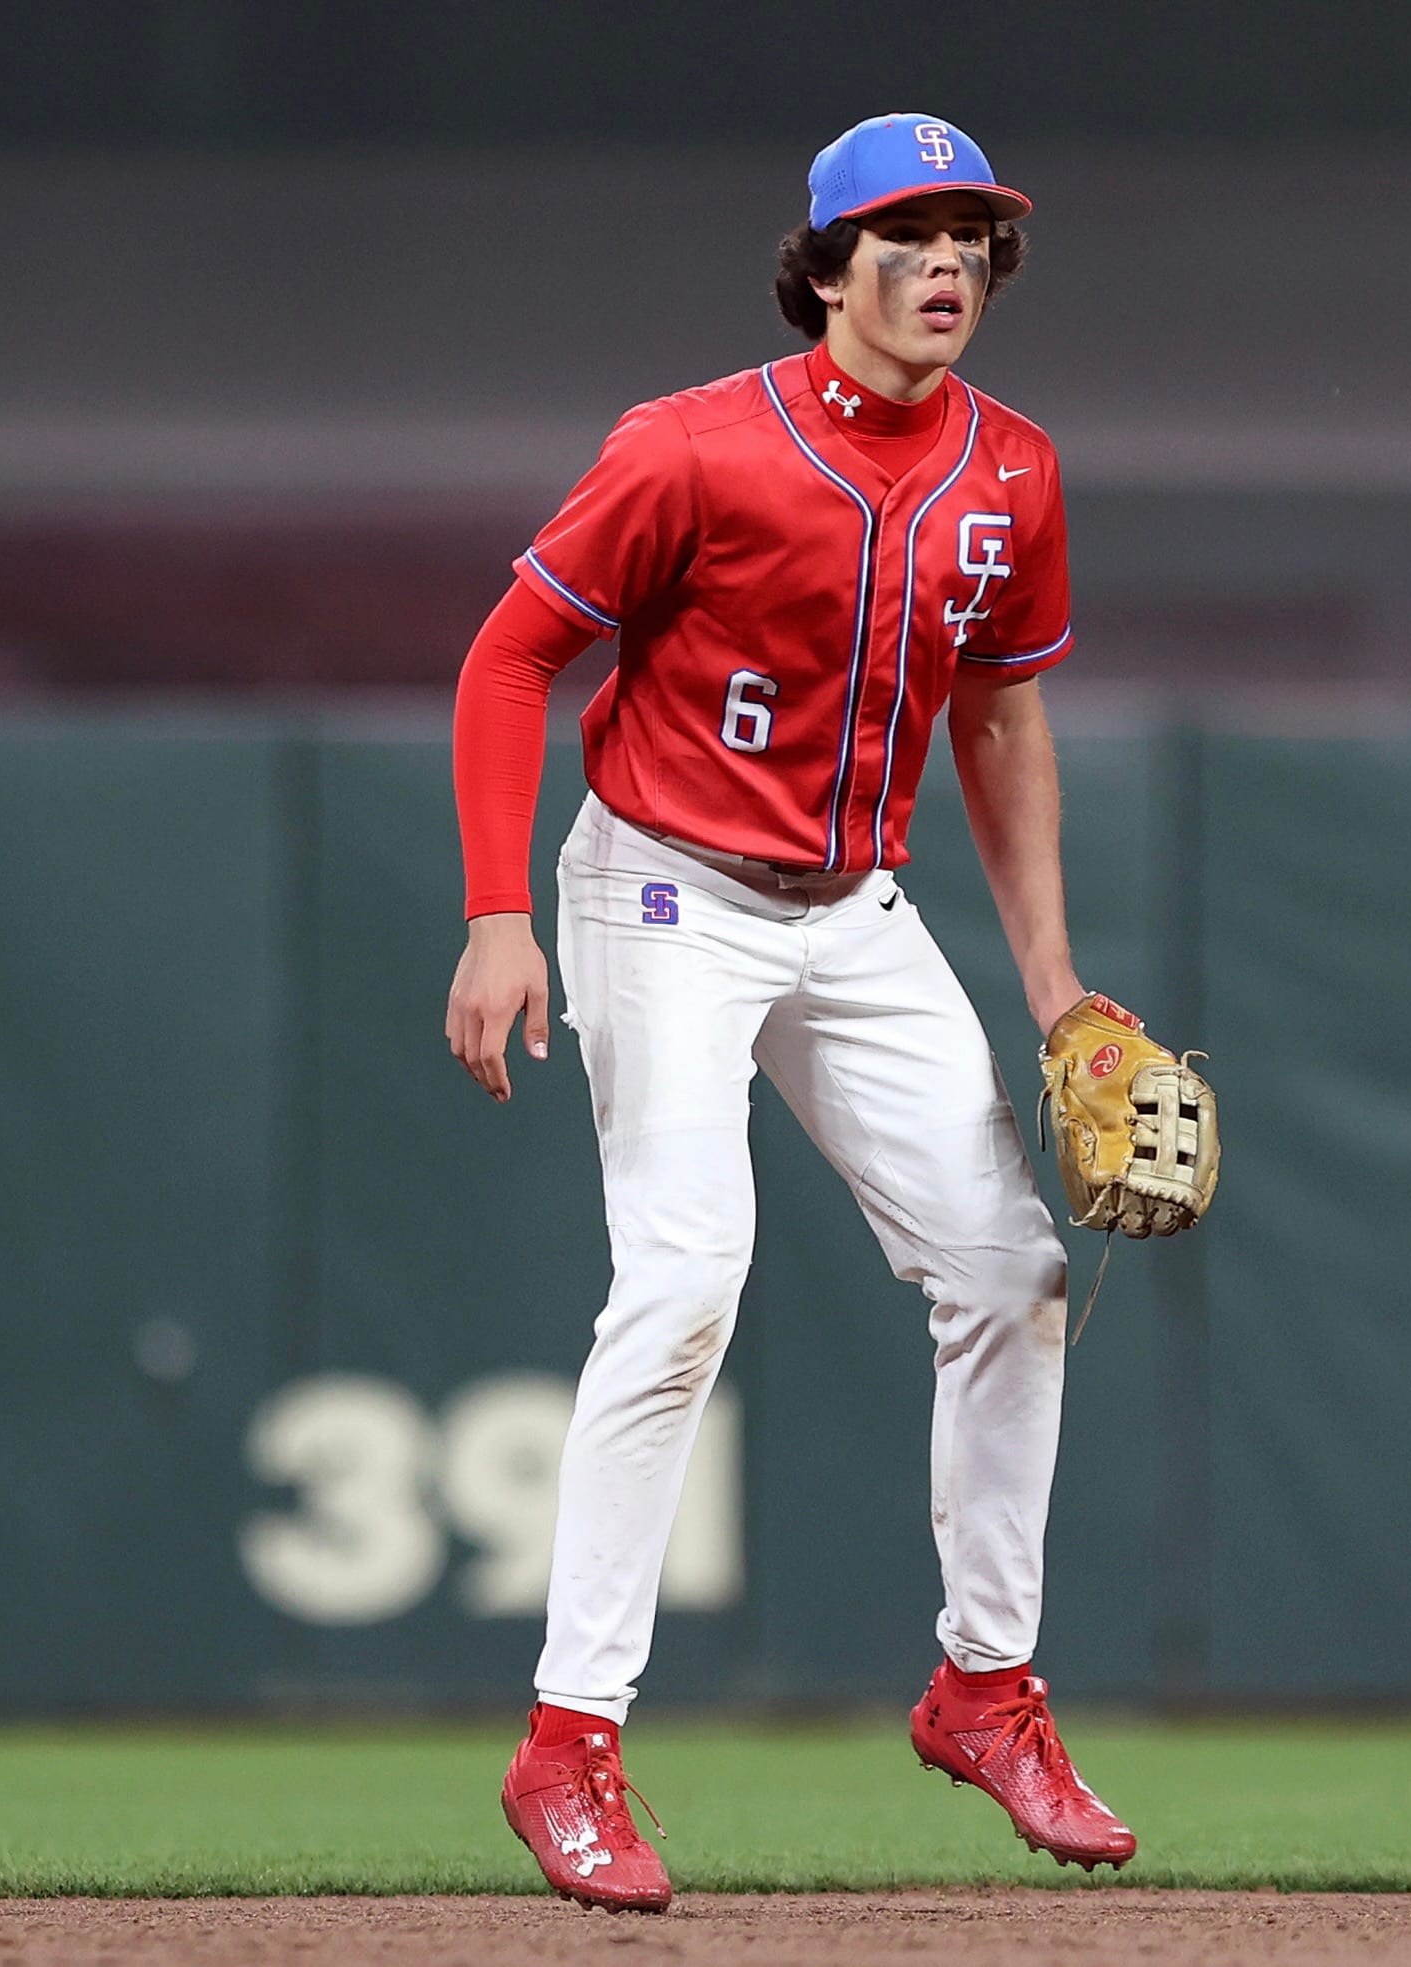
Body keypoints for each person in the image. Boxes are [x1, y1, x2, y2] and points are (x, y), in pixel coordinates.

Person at [443, 111, 1137, 1912]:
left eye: (970, 235)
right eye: (905, 235)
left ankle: (984, 1692)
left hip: (853, 914)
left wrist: (1053, 987)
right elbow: (512, 656)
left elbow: (998, 717)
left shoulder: (1013, 471)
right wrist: (499, 914)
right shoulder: (687, 447)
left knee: (1012, 1274)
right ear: (826, 271)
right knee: (683, 1279)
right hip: (662, 888)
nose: (946, 262)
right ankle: (565, 1745)